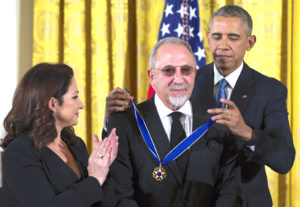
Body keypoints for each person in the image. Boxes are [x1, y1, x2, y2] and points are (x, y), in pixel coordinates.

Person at [103, 5, 295, 207]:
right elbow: (150, 132)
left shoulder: (270, 90)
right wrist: (111, 122)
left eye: (233, 37)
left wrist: (247, 133)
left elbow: (284, 160)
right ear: (208, 38)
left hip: (245, 200)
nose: (223, 45)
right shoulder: (186, 78)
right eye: (217, 36)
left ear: (250, 42)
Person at [105, 37, 241, 206]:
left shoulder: (218, 122)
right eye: (168, 71)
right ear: (151, 76)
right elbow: (119, 194)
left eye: (186, 70)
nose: (178, 79)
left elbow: (230, 193)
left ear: (195, 74)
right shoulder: (125, 123)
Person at [0, 63, 118, 207]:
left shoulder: (76, 144)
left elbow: (97, 200)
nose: (81, 105)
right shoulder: (19, 152)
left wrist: (104, 167)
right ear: (53, 104)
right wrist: (95, 177)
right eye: (75, 97)